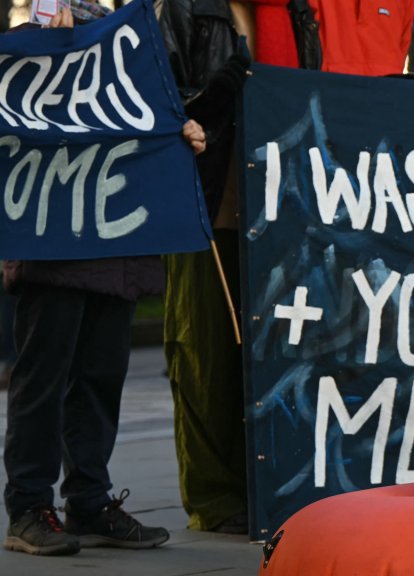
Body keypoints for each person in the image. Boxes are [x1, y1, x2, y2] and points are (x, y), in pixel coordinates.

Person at [2, 6, 208, 556]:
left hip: (120, 247)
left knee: (98, 381)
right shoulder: (27, 45)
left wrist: (180, 130)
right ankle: (28, 507)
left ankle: (88, 502)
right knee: (43, 381)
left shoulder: (133, 45)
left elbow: (149, 112)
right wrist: (48, 41)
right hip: (56, 250)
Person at [157, 0, 253, 534]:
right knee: (204, 351)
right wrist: (218, 95)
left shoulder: (298, 12)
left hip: (276, 206)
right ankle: (214, 498)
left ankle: (254, 485)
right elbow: (159, 96)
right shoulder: (186, 6)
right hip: (206, 203)